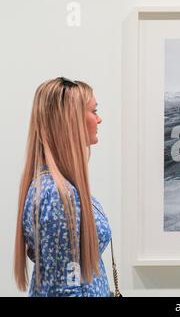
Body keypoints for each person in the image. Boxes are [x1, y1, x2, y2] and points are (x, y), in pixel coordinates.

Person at [14, 77, 111, 297]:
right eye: (93, 111)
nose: (99, 119)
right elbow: (65, 288)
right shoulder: (57, 195)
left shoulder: (59, 188)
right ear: (71, 121)